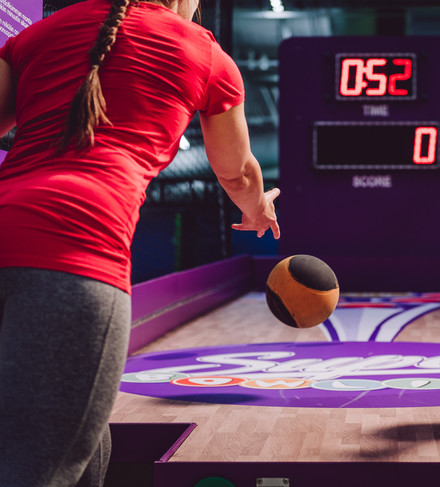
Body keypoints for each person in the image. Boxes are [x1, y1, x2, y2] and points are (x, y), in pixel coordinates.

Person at [0, 0, 280, 484]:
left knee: (88, 443)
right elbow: (236, 172)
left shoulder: (38, 34)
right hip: (76, 254)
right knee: (38, 470)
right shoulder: (203, 51)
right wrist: (257, 209)